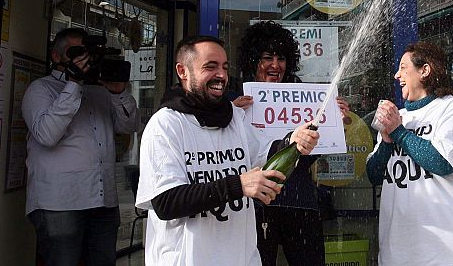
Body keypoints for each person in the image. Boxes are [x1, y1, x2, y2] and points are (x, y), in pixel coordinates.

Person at [136, 35, 319, 266]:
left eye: (224, 67)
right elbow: (166, 202)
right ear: (183, 71)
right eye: (210, 67)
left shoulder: (235, 118)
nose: (221, 75)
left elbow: (267, 153)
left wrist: (293, 141)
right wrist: (238, 185)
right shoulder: (165, 125)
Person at [231, 21, 349, 266]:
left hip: (300, 201)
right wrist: (230, 116)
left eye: (281, 58)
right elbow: (229, 154)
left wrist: (335, 123)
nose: (275, 65)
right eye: (267, 58)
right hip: (257, 205)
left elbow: (310, 156)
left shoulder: (304, 99)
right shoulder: (237, 102)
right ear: (253, 61)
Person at [22, 27, 139, 266]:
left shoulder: (100, 92)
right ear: (56, 56)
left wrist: (118, 93)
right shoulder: (41, 89)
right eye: (75, 52)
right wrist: (73, 84)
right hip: (60, 203)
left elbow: (129, 126)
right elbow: (47, 135)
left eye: (86, 52)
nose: (83, 58)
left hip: (103, 200)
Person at [366, 41, 453, 266]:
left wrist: (399, 133)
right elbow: (374, 176)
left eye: (403, 68)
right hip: (398, 255)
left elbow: (442, 162)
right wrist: (386, 141)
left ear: (424, 70)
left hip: (451, 255)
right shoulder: (398, 117)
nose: (397, 75)